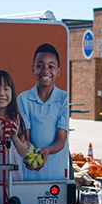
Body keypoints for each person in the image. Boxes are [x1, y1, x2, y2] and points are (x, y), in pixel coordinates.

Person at [17, 43, 69, 182]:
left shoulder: (64, 98)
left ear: (58, 71)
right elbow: (25, 136)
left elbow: (61, 138)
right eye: (40, 65)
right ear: (33, 69)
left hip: (56, 171)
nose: (45, 71)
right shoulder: (23, 98)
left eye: (51, 66)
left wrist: (48, 150)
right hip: (29, 172)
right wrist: (29, 151)